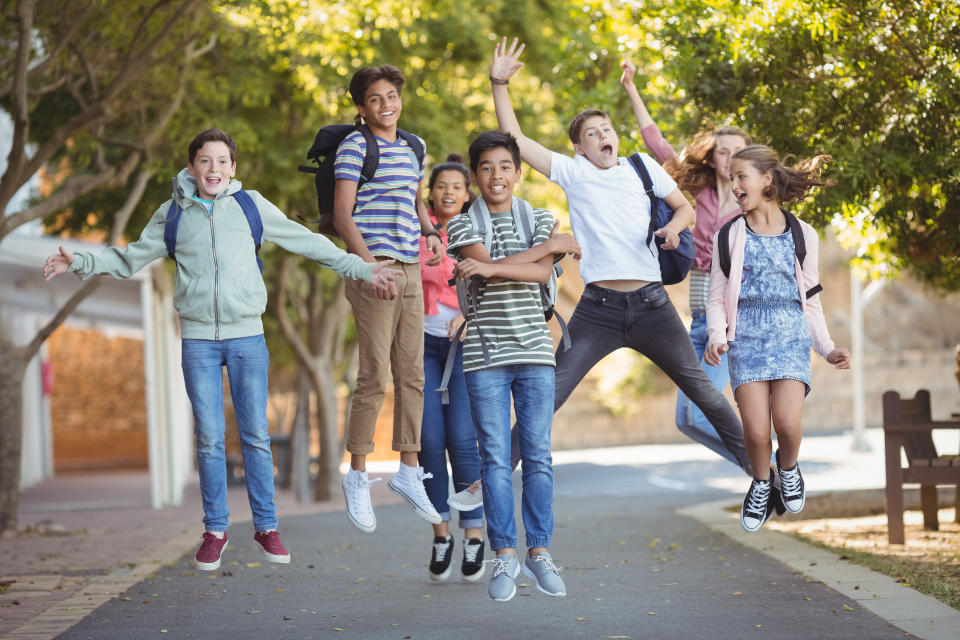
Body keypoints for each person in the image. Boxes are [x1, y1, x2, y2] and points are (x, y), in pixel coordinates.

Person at [41, 128, 399, 570]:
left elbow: (308, 243)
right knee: (209, 437)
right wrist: (80, 261)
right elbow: (130, 257)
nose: (214, 169)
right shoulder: (173, 213)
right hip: (198, 342)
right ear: (192, 167)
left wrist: (363, 269)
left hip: (247, 336)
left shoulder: (251, 206)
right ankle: (215, 530)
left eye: (223, 161)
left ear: (234, 168)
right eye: (205, 161)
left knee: (256, 436)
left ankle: (267, 527)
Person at [487, 38, 751, 475]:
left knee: (704, 393)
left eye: (606, 129)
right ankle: (487, 480)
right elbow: (515, 139)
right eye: (591, 134)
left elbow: (684, 207)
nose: (602, 137)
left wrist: (671, 228)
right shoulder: (572, 173)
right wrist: (499, 83)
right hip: (599, 310)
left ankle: (764, 474)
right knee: (549, 393)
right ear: (579, 148)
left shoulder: (642, 166)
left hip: (652, 306)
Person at [446, 130, 580, 602]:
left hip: (536, 355)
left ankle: (539, 553)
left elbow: (541, 274)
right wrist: (543, 249)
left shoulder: (540, 217)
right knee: (496, 461)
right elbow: (489, 262)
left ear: (518, 173)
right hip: (484, 357)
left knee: (539, 457)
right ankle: (504, 556)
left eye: (504, 166)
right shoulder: (462, 225)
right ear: (476, 175)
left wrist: (494, 267)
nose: (495, 175)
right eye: (485, 167)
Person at [704, 144, 851, 532]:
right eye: (731, 178)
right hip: (746, 343)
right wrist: (717, 336)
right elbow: (717, 296)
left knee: (786, 424)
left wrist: (827, 348)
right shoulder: (728, 236)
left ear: (767, 179)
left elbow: (812, 304)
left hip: (790, 338)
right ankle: (760, 482)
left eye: (741, 177)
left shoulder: (803, 234)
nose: (734, 185)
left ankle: (788, 469)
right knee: (755, 431)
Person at [620, 58, 752, 466]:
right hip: (695, 319)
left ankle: (764, 470)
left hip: (730, 322)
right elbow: (657, 144)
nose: (730, 159)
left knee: (697, 414)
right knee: (686, 420)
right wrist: (631, 90)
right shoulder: (696, 193)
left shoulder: (757, 208)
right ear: (713, 159)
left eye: (738, 153)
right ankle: (762, 471)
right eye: (723, 152)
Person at [333, 64, 445, 533]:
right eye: (375, 99)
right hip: (372, 266)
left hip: (410, 267)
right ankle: (357, 475)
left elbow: (412, 197)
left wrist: (430, 231)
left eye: (392, 96)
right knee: (374, 376)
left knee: (413, 374)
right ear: (362, 108)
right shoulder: (356, 146)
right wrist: (366, 266)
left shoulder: (414, 146)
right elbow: (342, 214)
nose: (386, 105)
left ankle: (407, 469)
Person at [417, 154, 485, 582]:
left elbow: (491, 282)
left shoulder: (477, 233)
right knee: (427, 441)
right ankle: (441, 532)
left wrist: (469, 313)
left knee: (462, 439)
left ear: (466, 194)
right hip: (420, 345)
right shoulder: (417, 233)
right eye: (441, 186)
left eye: (456, 187)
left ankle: (474, 535)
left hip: (463, 344)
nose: (448, 192)